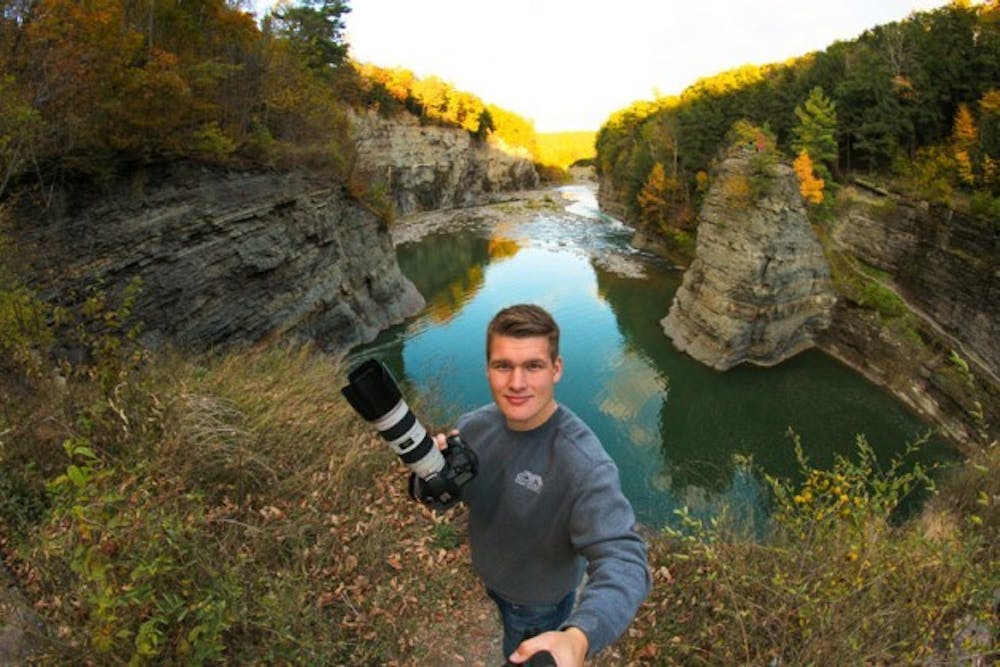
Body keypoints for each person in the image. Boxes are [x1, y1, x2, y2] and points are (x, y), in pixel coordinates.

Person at [432, 303, 650, 666]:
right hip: (492, 574)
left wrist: (579, 638)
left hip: (539, 603)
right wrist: (434, 480)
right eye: (504, 366)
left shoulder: (583, 463)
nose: (517, 383)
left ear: (556, 369)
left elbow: (625, 558)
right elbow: (460, 496)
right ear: (488, 369)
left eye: (533, 366)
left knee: (518, 654)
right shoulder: (472, 428)